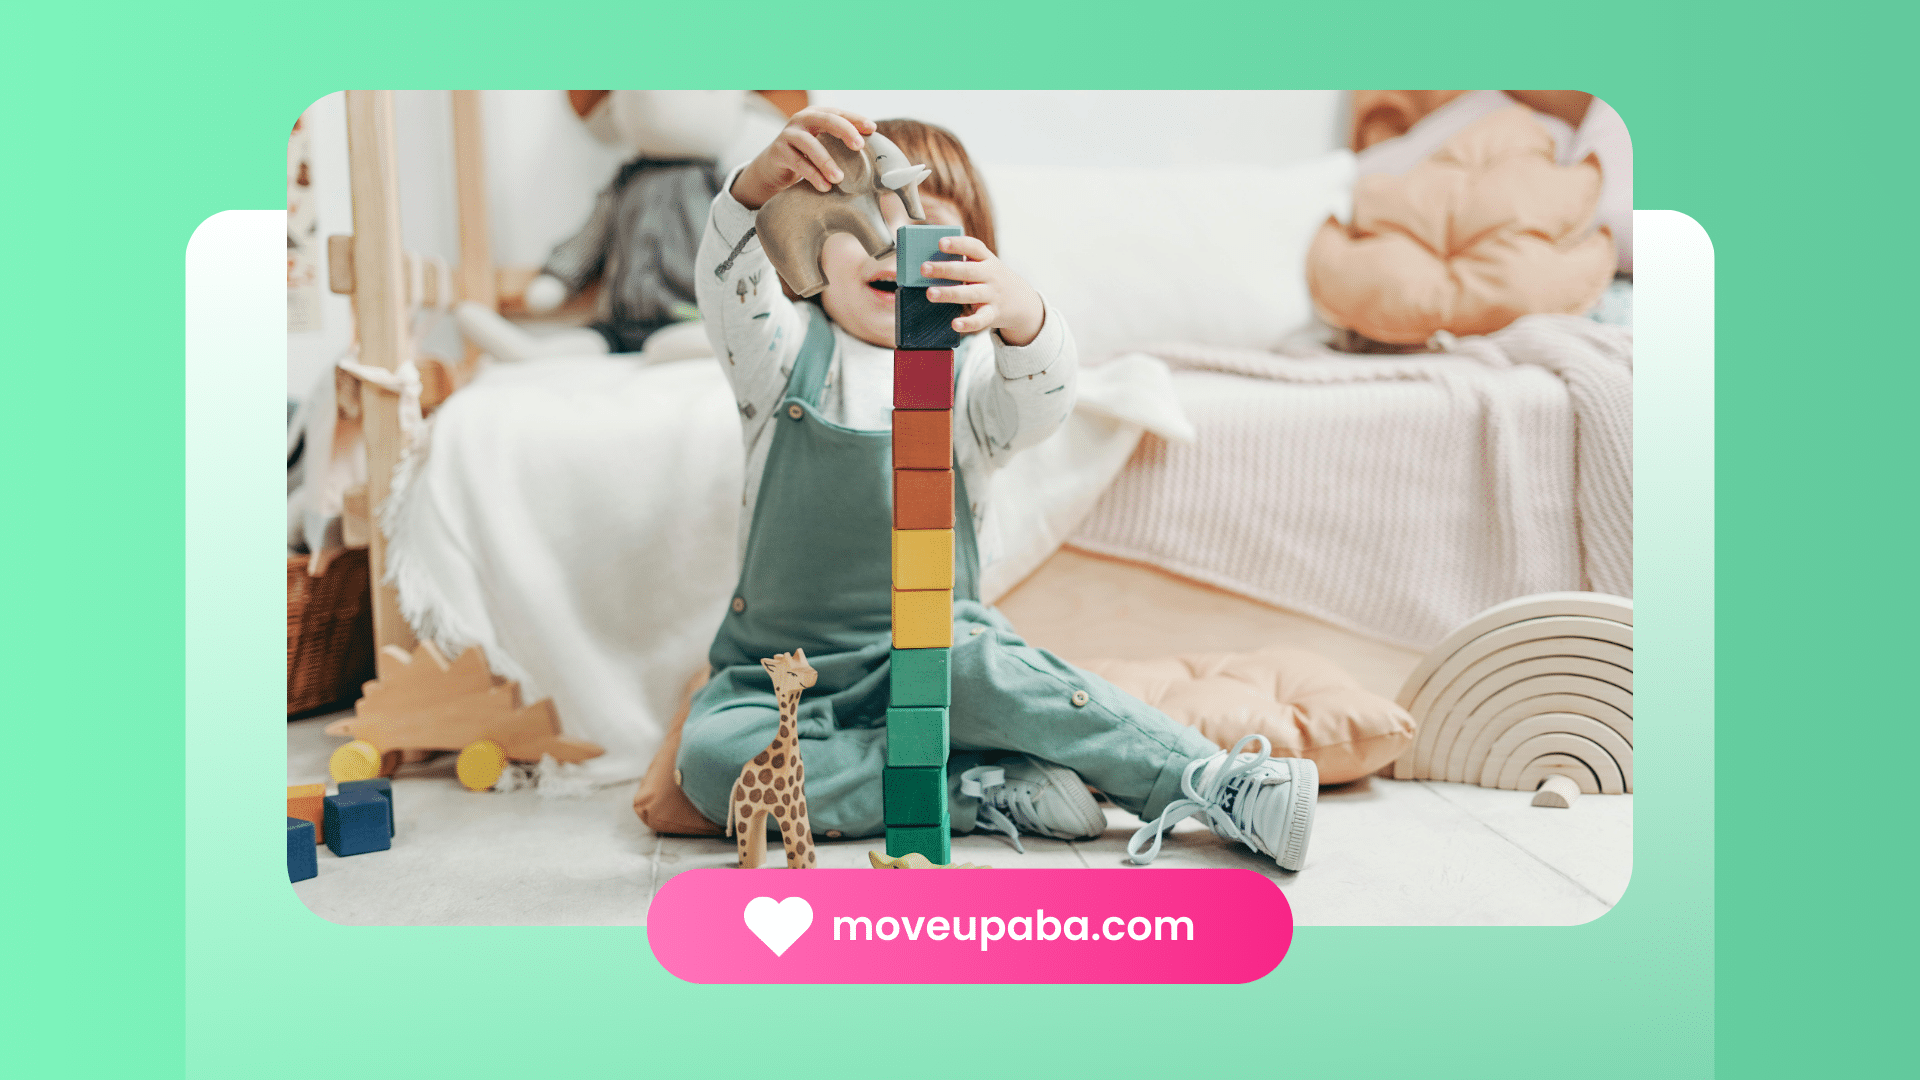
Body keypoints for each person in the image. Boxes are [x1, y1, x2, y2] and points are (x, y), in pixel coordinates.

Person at [677, 106, 1319, 870]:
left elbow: (1041, 402)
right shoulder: (778, 357)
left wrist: (1023, 315)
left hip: (934, 655)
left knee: (992, 670)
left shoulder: (973, 374)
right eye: (865, 216)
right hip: (779, 679)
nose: (894, 241)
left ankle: (1210, 778)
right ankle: (977, 788)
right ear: (809, 239)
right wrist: (753, 191)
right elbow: (729, 284)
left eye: (924, 226)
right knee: (717, 765)